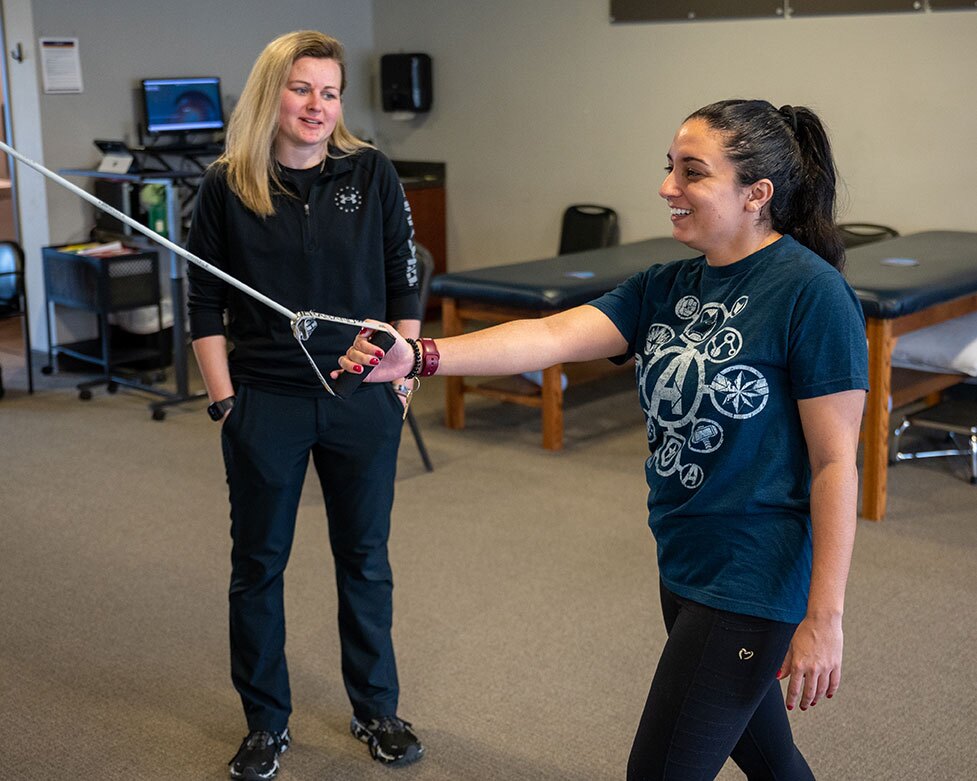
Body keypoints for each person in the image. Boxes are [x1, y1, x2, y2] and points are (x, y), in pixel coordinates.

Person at [338, 99, 869, 780]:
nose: (665, 188)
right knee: (769, 758)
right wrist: (418, 356)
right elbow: (551, 335)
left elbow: (833, 463)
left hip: (751, 579)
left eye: (691, 172)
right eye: (668, 167)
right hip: (682, 560)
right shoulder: (668, 284)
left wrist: (824, 616)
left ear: (756, 195)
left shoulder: (810, 294)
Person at [186, 30, 424, 780]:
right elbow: (202, 302)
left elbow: (404, 275)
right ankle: (265, 722)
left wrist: (404, 366)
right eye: (301, 88)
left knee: (365, 558)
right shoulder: (227, 184)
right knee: (258, 564)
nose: (317, 106)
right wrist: (226, 402)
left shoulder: (371, 172)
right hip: (265, 402)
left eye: (329, 91)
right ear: (271, 94)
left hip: (361, 397)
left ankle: (375, 708)